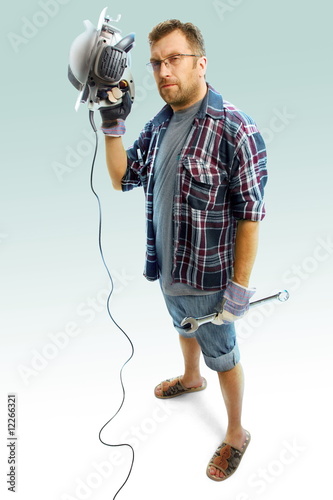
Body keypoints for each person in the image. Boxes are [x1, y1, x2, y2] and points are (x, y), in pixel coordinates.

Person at [100, 19, 267, 481]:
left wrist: (239, 289)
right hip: (168, 269)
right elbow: (121, 179)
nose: (162, 70)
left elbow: (251, 215)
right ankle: (191, 378)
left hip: (212, 282)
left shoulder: (237, 128)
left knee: (225, 356)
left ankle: (236, 433)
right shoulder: (160, 124)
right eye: (155, 62)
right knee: (182, 325)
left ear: (201, 63)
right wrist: (111, 122)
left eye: (174, 59)